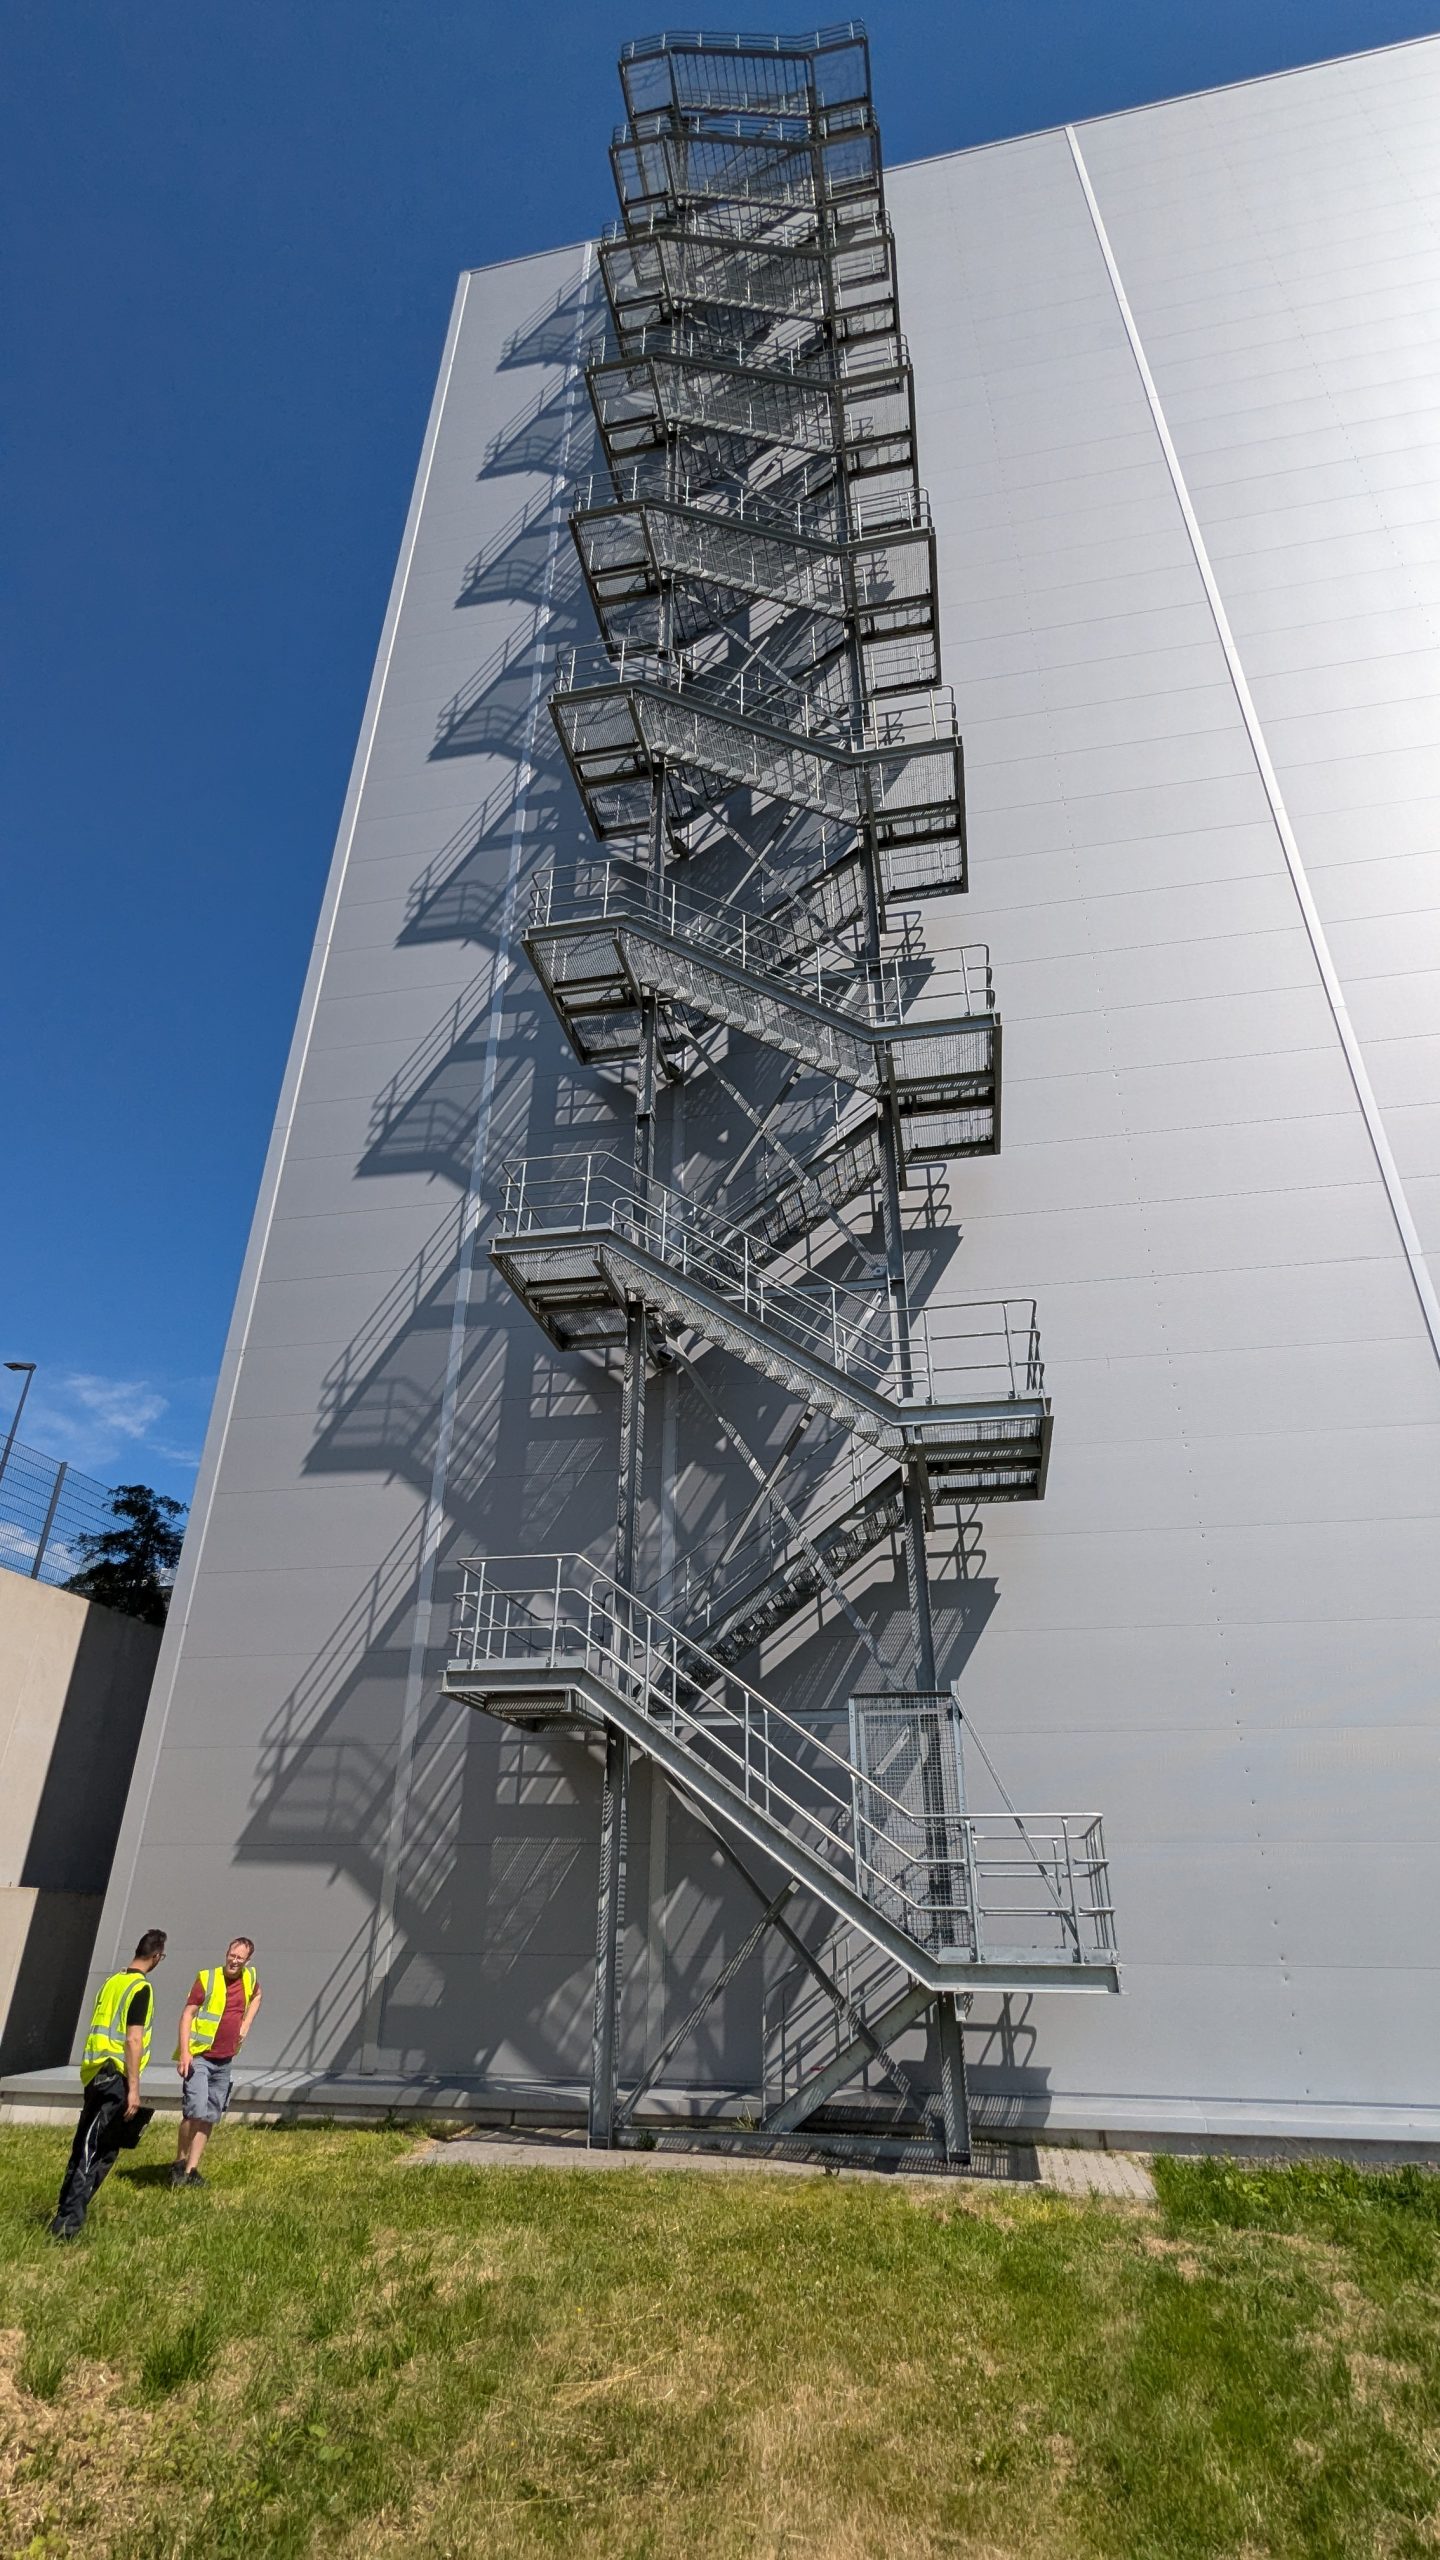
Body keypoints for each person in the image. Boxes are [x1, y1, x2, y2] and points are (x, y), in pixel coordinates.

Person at [50, 1929, 167, 2238]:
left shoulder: (111, 1982)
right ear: (156, 1957)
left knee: (95, 2148)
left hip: (94, 2074)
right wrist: (134, 2089)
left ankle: (66, 2213)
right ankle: (67, 2226)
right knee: (94, 2151)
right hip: (115, 2077)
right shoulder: (141, 1988)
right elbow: (133, 2039)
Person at [170, 1936, 261, 2186]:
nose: (234, 1961)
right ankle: (178, 2163)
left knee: (210, 2115)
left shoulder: (249, 1978)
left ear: (248, 1961)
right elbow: (187, 2015)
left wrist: (246, 2023)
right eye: (231, 1955)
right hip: (200, 2057)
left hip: (225, 2060)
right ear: (226, 1954)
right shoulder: (207, 1978)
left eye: (240, 1958)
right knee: (195, 2111)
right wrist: (185, 2053)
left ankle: (192, 2170)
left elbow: (257, 1996)